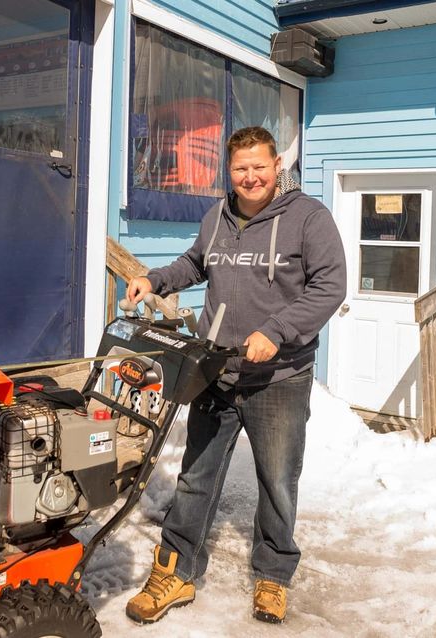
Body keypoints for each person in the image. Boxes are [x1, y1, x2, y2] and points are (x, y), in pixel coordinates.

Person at [124, 126, 346, 625]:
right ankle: (176, 571)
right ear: (230, 171)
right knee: (195, 477)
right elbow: (196, 263)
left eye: (259, 167)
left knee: (277, 481)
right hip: (216, 368)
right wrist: (153, 279)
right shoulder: (218, 216)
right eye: (241, 168)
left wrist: (278, 329)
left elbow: (330, 285)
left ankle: (273, 574)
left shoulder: (309, 218)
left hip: (279, 376)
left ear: (276, 167)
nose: (251, 177)